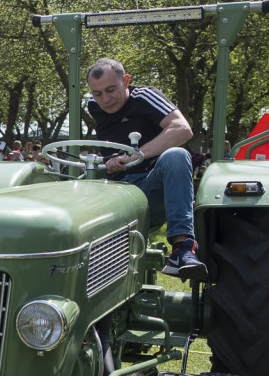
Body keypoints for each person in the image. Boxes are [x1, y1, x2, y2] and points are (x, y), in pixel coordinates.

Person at [87, 57, 207, 282]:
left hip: (150, 184)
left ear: (126, 81)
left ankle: (182, 249)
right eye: (97, 93)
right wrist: (112, 163)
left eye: (111, 90)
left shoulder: (145, 97)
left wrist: (136, 155)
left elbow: (182, 129)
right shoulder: (94, 108)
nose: (105, 99)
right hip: (115, 191)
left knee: (177, 155)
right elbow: (111, 151)